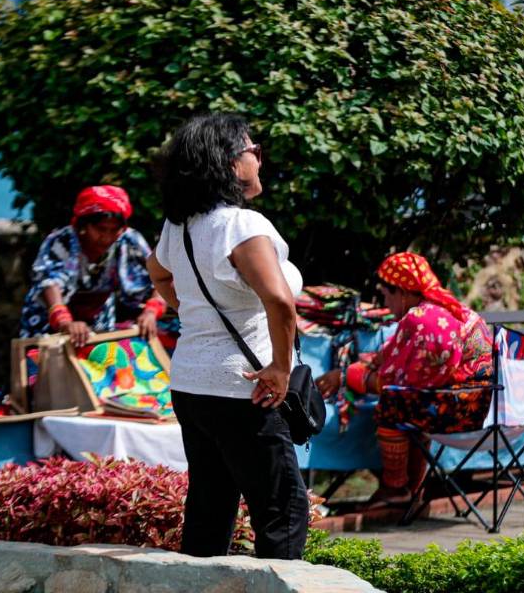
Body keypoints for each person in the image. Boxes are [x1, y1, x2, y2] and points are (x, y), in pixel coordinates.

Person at [146, 113, 308, 559]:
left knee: (210, 505)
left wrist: (193, 313)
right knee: (282, 509)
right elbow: (280, 302)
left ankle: (196, 585)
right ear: (231, 162)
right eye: (254, 150)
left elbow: (158, 273)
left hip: (191, 385)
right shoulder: (242, 226)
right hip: (243, 390)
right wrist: (280, 369)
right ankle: (280, 586)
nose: (259, 159)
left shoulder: (179, 226)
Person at [316, 252, 494, 505]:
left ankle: (395, 488)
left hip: (459, 409)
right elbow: (394, 354)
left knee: (394, 403)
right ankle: (414, 490)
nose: (385, 303)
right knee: (412, 407)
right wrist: (361, 367)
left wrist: (345, 377)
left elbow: (394, 384)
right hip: (480, 405)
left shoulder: (423, 319)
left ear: (401, 292)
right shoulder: (448, 308)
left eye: (386, 295)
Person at [20, 185, 166, 347]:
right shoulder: (61, 241)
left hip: (99, 322)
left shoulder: (129, 240)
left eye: (114, 230)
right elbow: (50, 282)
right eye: (101, 229)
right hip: (49, 322)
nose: (107, 237)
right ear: (83, 225)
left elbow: (160, 277)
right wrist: (65, 322)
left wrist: (151, 312)